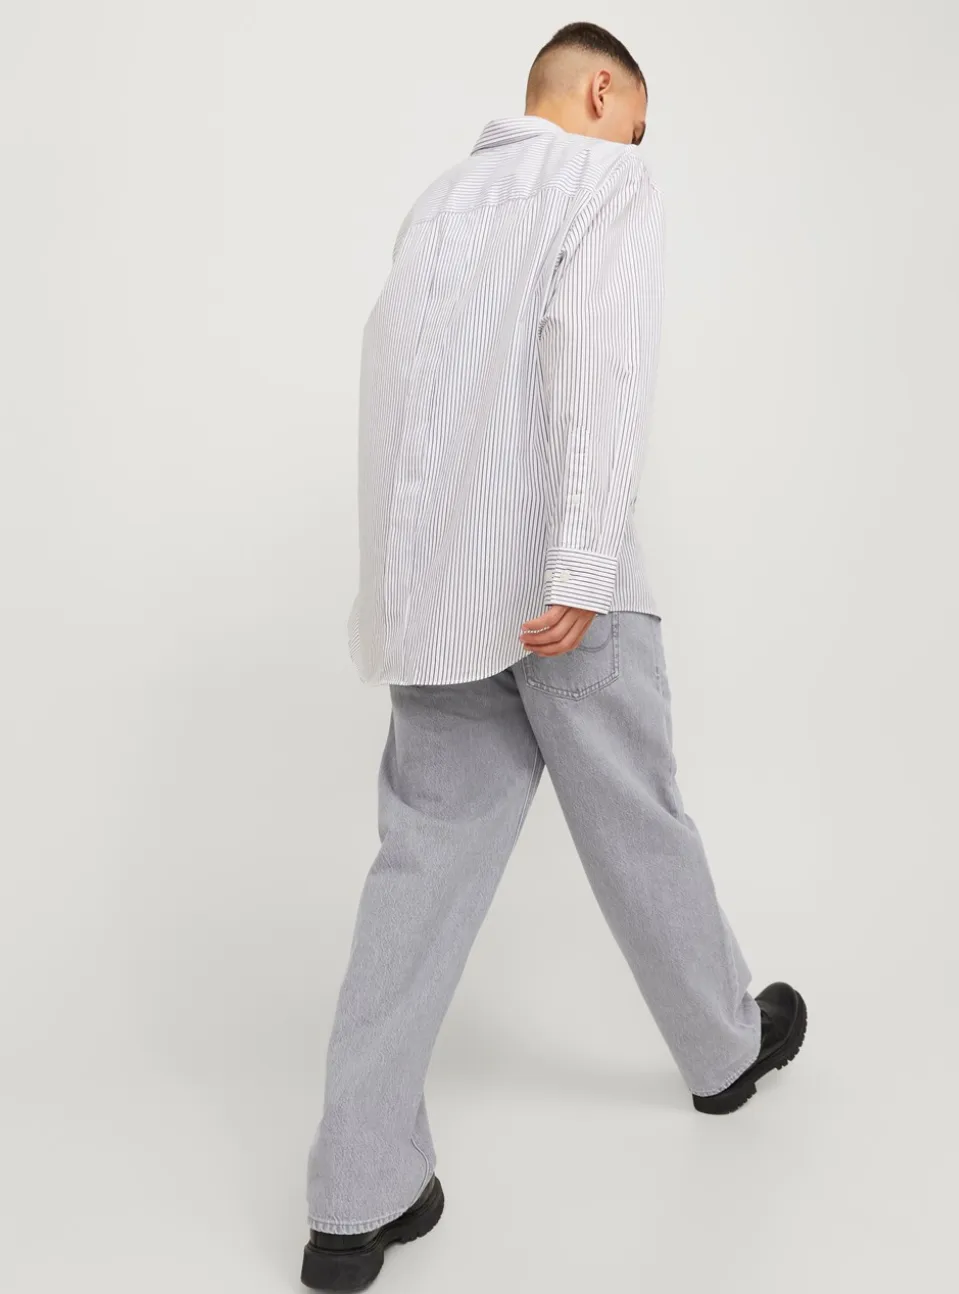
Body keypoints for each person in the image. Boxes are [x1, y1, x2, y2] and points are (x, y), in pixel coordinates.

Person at [301, 21, 807, 1292]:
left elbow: (392, 396)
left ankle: (353, 1196)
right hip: (553, 595)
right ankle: (722, 1051)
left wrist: (400, 605)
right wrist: (579, 568)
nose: (641, 139)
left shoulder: (436, 206)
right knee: (640, 817)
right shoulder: (604, 179)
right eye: (638, 116)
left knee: (418, 870)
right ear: (599, 91)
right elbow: (599, 365)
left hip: (438, 600)